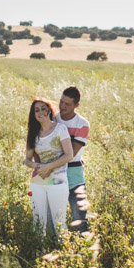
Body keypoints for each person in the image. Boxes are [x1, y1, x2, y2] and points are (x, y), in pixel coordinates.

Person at [24, 98, 73, 238]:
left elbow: (69, 154)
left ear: (49, 110)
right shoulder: (33, 133)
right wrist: (39, 167)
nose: (41, 112)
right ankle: (40, 253)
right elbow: (27, 160)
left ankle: (63, 254)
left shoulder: (60, 129)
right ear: (33, 115)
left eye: (43, 108)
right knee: (38, 222)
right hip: (37, 182)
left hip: (57, 180)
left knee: (59, 222)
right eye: (37, 110)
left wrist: (49, 167)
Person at [56, 86, 90, 232]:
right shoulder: (53, 118)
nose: (62, 106)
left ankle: (84, 249)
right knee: (56, 215)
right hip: (55, 173)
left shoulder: (82, 124)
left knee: (79, 217)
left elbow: (72, 152)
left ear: (76, 106)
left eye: (67, 104)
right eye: (61, 102)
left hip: (74, 174)